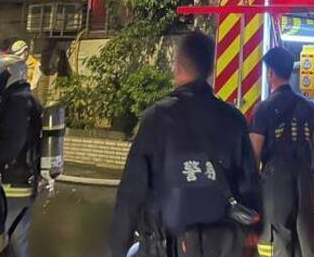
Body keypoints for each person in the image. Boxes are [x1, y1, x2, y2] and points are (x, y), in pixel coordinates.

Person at [108, 31, 260, 257]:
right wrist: (253, 231)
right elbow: (250, 185)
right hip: (224, 246)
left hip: (167, 245)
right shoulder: (234, 120)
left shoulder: (157, 118)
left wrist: (118, 248)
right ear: (210, 70)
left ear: (178, 66)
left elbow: (131, 193)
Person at [249, 47, 314, 257]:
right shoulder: (311, 109)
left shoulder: (263, 110)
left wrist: (252, 192)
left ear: (271, 73)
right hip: (305, 181)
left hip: (276, 185)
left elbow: (254, 153)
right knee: (306, 244)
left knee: (279, 244)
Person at [0, 54, 44, 257]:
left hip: (12, 183)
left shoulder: (16, 102)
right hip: (25, 180)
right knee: (18, 238)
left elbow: (12, 143)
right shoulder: (29, 99)